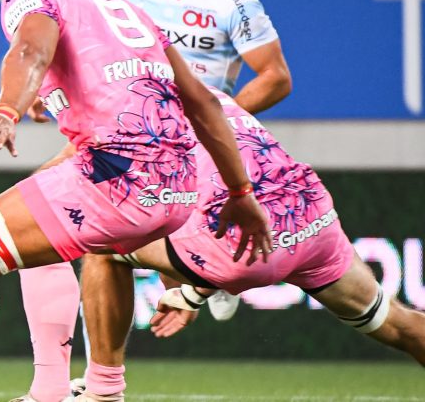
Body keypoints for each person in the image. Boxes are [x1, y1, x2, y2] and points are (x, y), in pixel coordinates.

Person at [0, 0, 272, 402]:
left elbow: (31, 49)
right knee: (49, 235)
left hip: (117, 175)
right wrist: (241, 190)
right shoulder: (121, 6)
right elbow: (202, 102)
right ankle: (65, 389)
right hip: (180, 183)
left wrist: (7, 109)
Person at [13, 0, 295, 401]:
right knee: (64, 212)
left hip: (200, 138)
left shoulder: (236, 1)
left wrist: (215, 114)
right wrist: (42, 90)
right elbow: (92, 48)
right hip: (133, 127)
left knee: (64, 215)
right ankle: (157, 318)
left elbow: (276, 76)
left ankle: (198, 282)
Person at [71, 88, 425, 400]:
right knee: (397, 324)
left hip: (244, 243)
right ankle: (208, 284)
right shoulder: (208, 94)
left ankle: (102, 393)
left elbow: (161, 212)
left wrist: (192, 289)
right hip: (309, 215)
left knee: (102, 247)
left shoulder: (130, 114)